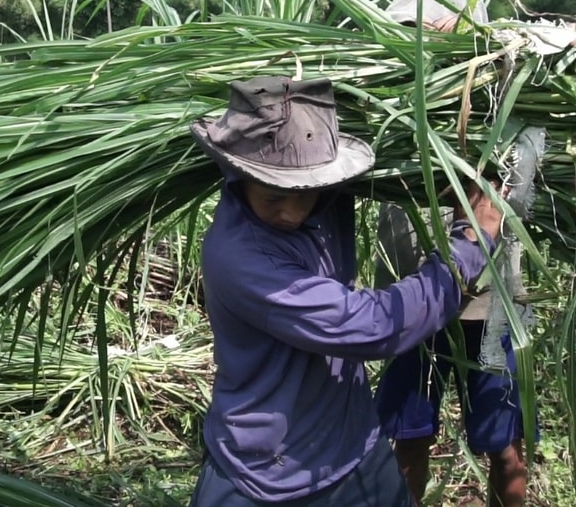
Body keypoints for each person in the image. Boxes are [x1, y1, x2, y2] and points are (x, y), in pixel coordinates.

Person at [373, 0, 576, 507]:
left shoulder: (516, 100)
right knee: (408, 436)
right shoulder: (384, 109)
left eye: (433, 32)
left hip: (492, 310)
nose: (421, 47)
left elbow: (570, 47)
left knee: (505, 444)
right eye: (408, 33)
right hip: (411, 304)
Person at [188, 75, 505, 505]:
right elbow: (372, 326)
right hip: (270, 472)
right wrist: (471, 243)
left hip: (352, 441)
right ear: (238, 173)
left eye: (307, 192)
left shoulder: (322, 190)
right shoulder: (240, 257)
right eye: (272, 195)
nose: (293, 211)